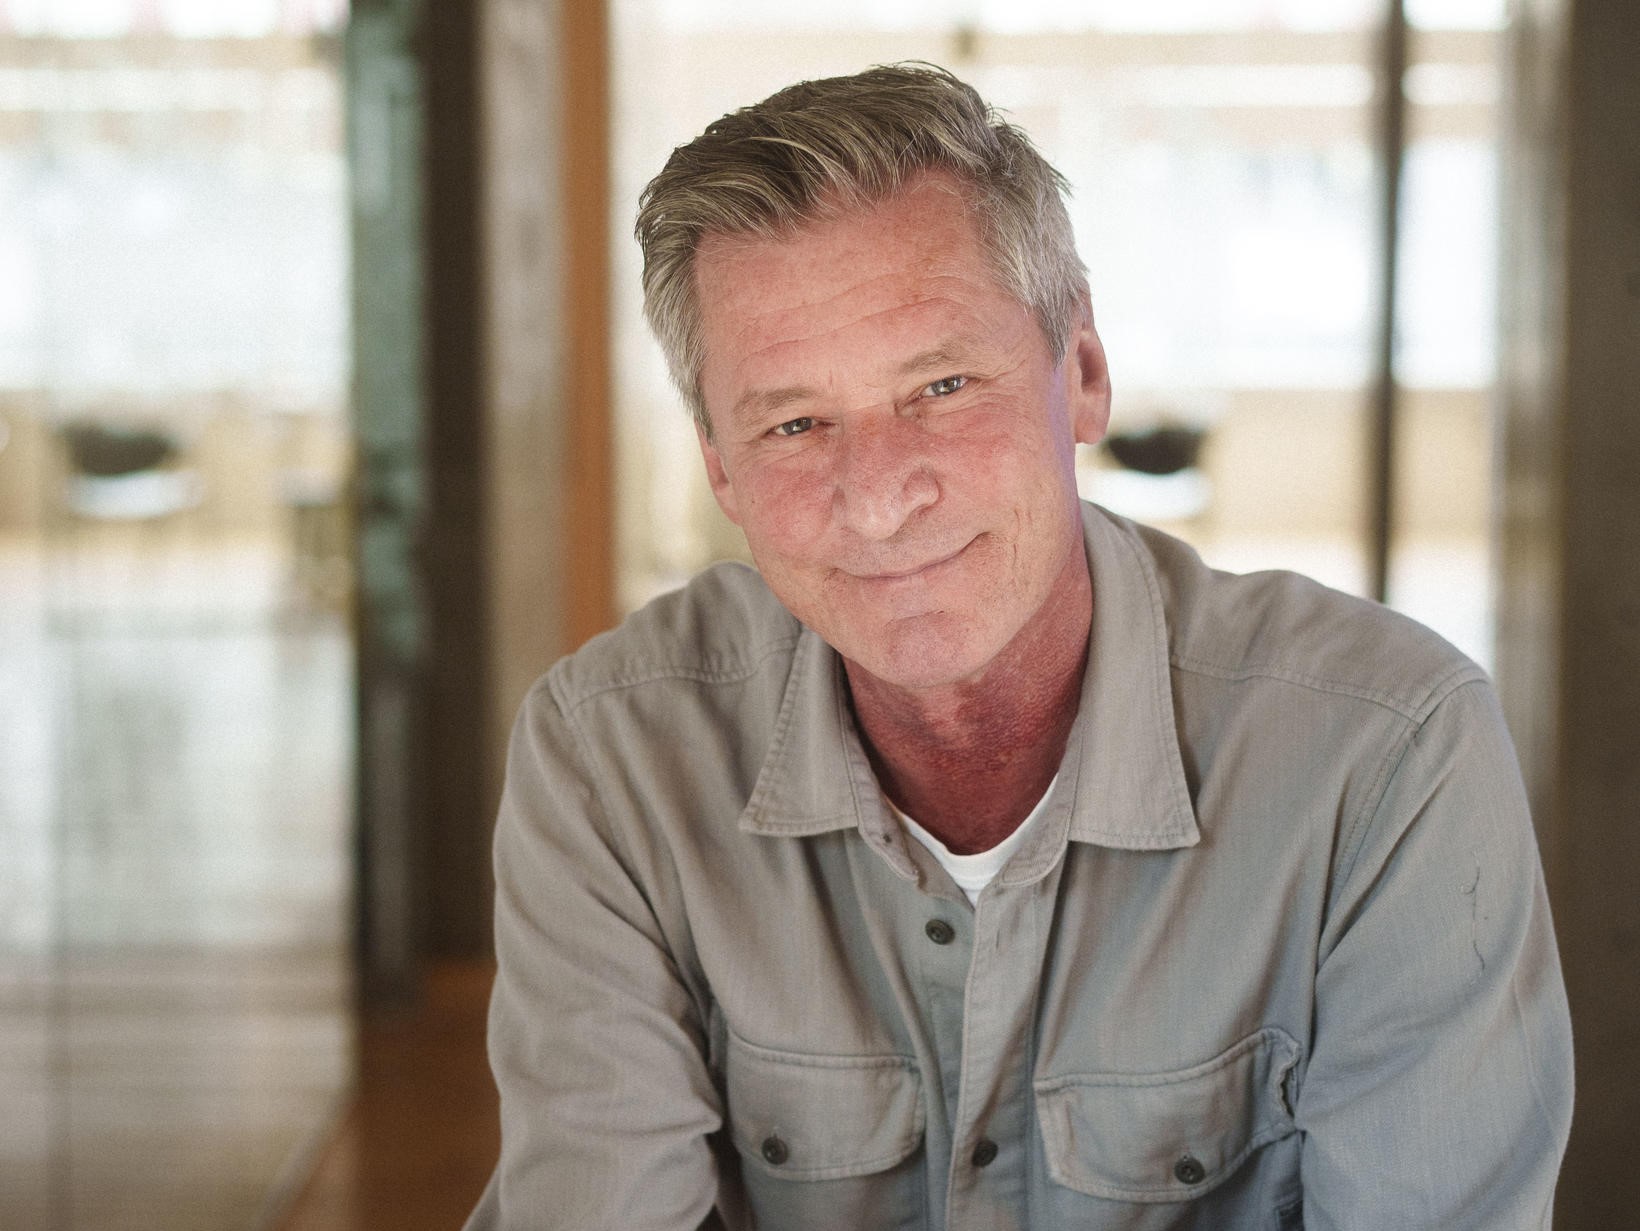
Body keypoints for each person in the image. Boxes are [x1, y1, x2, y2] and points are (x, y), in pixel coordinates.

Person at [465, 64, 1572, 1230]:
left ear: (1080, 371)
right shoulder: (611, 760)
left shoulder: (1386, 754)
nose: (878, 497)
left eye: (941, 385)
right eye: (793, 422)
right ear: (719, 467)